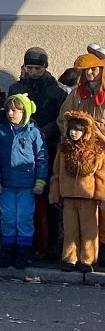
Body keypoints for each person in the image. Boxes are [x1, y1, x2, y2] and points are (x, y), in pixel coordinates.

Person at [6, 47, 67, 261]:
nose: (33, 72)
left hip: (45, 149)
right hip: (18, 151)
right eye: (29, 67)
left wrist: (42, 132)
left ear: (45, 67)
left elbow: (62, 119)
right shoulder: (17, 87)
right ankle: (22, 245)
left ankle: (48, 246)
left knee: (46, 201)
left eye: (37, 68)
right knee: (19, 204)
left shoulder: (55, 90)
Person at [0, 93, 48, 270]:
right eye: (8, 109)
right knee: (7, 217)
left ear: (25, 112)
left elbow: (42, 157)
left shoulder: (34, 132)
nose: (11, 113)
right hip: (6, 183)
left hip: (27, 184)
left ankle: (24, 251)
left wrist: (40, 181)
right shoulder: (1, 131)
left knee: (24, 218)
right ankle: (8, 250)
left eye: (16, 110)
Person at [50, 112, 105, 273]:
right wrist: (55, 192)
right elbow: (57, 173)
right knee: (70, 228)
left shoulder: (96, 151)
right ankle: (70, 258)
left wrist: (101, 196)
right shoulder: (63, 150)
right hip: (68, 196)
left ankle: (87, 260)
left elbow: (101, 176)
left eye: (78, 130)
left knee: (89, 229)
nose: (74, 133)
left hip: (88, 196)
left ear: (86, 131)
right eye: (71, 129)